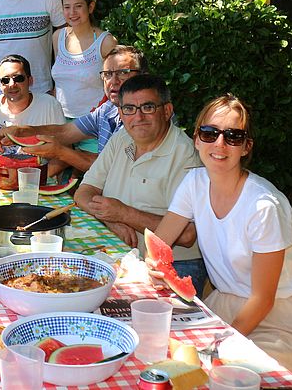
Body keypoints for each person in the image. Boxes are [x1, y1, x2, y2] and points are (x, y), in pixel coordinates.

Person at [152, 95, 292, 376]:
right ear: (196, 139)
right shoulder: (194, 182)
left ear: (246, 147)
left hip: (277, 320)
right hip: (222, 305)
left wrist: (221, 343)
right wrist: (155, 266)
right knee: (159, 354)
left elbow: (263, 299)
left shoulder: (263, 207)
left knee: (223, 375)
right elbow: (158, 243)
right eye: (209, 133)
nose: (219, 144)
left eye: (233, 136)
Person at [74, 74, 207, 295]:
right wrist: (111, 219)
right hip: (120, 253)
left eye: (147, 107)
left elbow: (186, 236)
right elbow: (84, 193)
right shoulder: (121, 139)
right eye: (129, 109)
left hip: (174, 265)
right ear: (120, 113)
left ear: (167, 111)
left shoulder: (186, 157)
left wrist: (123, 214)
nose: (138, 117)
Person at [0, 45, 147, 172]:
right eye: (107, 74)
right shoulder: (107, 109)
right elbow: (65, 131)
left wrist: (60, 152)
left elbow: (112, 168)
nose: (113, 81)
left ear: (143, 76)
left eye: (122, 73)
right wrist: (20, 132)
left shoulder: (145, 117)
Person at [0, 54, 66, 175]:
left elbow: (65, 153)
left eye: (18, 78)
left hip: (39, 179)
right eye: (5, 80)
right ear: (0, 85)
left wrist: (37, 179)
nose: (12, 84)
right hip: (2, 179)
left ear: (30, 80)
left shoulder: (50, 105)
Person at [51, 0, 117, 152]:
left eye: (78, 6)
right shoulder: (58, 37)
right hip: (60, 122)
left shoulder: (105, 42)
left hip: (92, 124)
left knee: (92, 173)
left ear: (91, 7)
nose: (72, 13)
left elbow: (117, 84)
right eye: (67, 7)